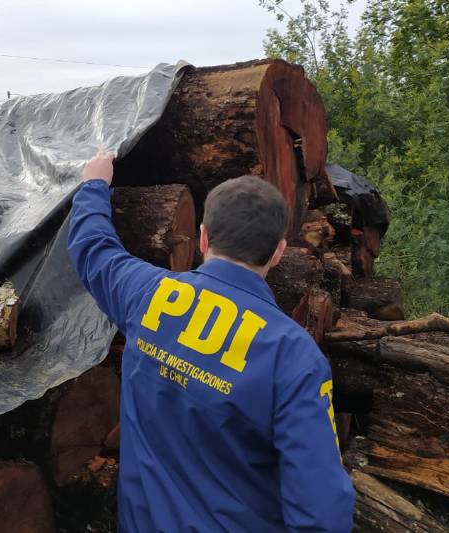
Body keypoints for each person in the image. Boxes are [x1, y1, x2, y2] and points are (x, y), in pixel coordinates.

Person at [68, 151, 355, 532]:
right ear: (278, 252)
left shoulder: (148, 294)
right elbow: (322, 511)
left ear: (202, 237)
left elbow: (93, 249)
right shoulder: (292, 354)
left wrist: (93, 185)